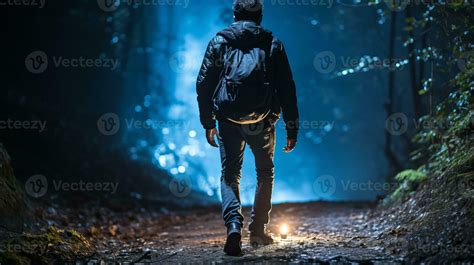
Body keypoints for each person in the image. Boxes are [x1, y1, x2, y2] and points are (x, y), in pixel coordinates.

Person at [196, 0, 299, 256]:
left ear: (234, 15)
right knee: (265, 171)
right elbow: (287, 88)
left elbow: (204, 84)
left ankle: (233, 225)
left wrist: (208, 122)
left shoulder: (219, 42)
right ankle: (258, 230)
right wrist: (292, 126)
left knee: (230, 175)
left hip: (228, 119)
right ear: (260, 17)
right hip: (263, 120)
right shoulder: (273, 43)